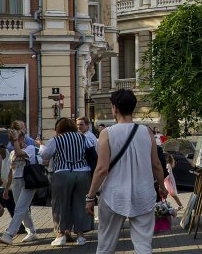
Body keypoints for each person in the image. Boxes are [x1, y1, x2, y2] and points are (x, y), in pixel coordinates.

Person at [86, 89, 166, 254]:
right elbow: (156, 164)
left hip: (113, 195)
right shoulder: (147, 132)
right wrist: (162, 186)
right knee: (143, 245)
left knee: (106, 246)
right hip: (143, 193)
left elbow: (101, 169)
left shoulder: (106, 133)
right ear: (133, 108)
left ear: (114, 108)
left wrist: (90, 196)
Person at [39, 118, 92, 246]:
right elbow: (90, 152)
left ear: (59, 129)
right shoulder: (83, 138)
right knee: (80, 203)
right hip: (83, 172)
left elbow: (45, 155)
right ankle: (81, 236)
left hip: (62, 172)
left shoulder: (56, 139)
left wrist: (41, 146)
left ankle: (61, 234)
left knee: (60, 204)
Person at [0, 130, 38, 245]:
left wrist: (15, 140)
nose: (15, 141)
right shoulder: (12, 153)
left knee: (19, 208)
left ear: (23, 138)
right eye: (12, 140)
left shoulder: (29, 148)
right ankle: (32, 232)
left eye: (17, 139)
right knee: (23, 209)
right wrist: (6, 189)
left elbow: (20, 153)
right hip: (16, 182)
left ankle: (9, 234)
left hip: (28, 182)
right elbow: (11, 171)